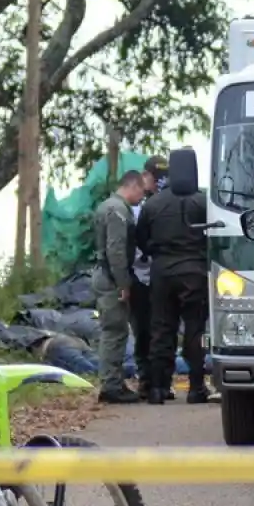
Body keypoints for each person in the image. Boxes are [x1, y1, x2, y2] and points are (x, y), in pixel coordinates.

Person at [136, 149, 213, 405]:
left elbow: (141, 239)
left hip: (162, 272)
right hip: (195, 271)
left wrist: (157, 253)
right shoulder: (204, 202)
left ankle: (158, 388)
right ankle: (196, 387)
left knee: (161, 329)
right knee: (194, 330)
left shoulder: (152, 204)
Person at [92, 170, 147, 404]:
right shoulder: (118, 211)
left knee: (115, 331)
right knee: (114, 331)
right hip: (111, 278)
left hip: (105, 275)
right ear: (133, 186)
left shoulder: (108, 206)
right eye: (141, 192)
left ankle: (113, 382)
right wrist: (123, 283)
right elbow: (115, 250)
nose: (142, 198)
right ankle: (111, 386)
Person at [130, 156, 175, 401]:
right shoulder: (138, 206)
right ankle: (150, 381)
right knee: (149, 332)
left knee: (156, 332)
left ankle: (157, 383)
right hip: (145, 277)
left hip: (153, 277)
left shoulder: (147, 207)